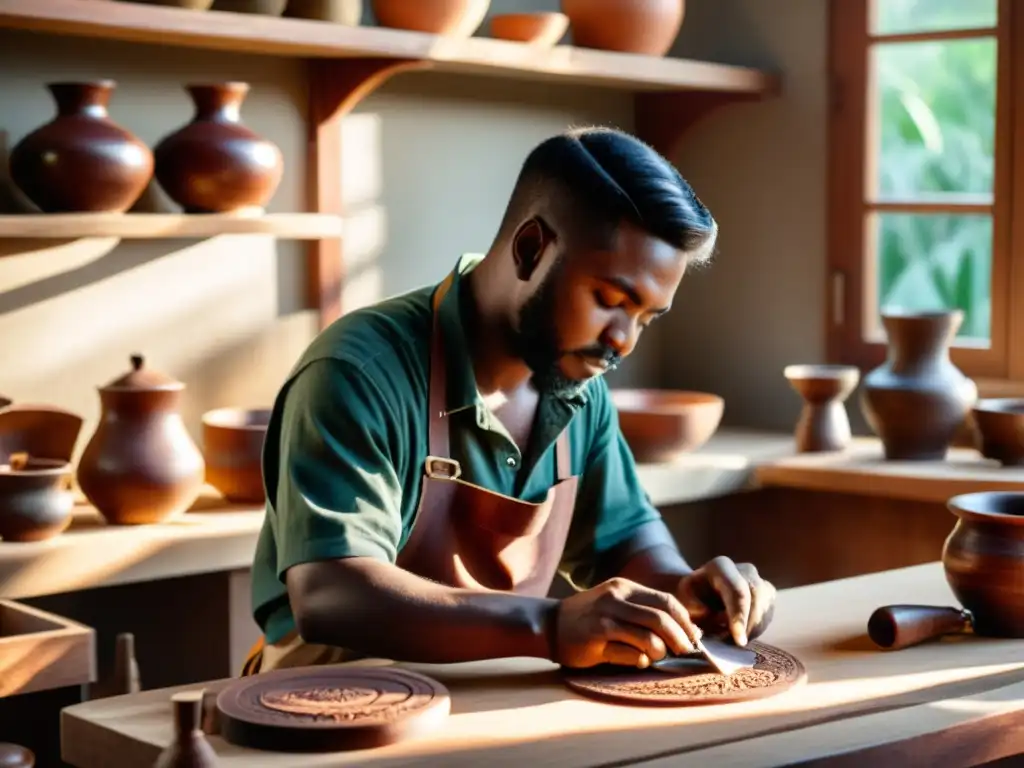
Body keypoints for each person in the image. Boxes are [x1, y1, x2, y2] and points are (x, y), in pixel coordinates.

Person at [242, 126, 776, 676]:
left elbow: (627, 542)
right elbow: (330, 596)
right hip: (329, 709)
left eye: (645, 317)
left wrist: (685, 592)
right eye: (610, 300)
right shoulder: (359, 372)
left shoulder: (578, 390)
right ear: (530, 249)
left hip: (496, 703)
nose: (623, 340)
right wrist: (548, 626)